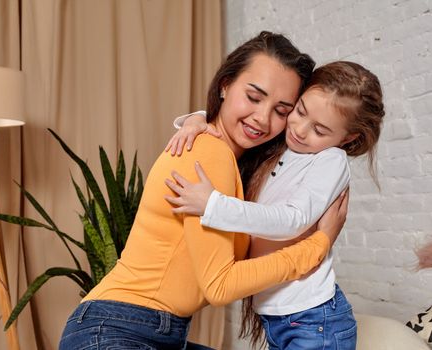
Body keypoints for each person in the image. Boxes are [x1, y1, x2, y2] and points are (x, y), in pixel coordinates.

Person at [59, 31, 349, 350]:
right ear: (225, 85)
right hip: (115, 330)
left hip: (155, 333)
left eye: (282, 110)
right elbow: (220, 286)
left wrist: (197, 118)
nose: (262, 118)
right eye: (253, 97)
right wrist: (317, 245)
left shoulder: (233, 164)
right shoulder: (209, 154)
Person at [164, 61, 385, 349]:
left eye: (319, 129)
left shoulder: (330, 160)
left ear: (349, 137)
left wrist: (213, 205)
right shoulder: (286, 144)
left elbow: (292, 220)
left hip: (313, 320)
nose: (300, 129)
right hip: (282, 317)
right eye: (300, 111)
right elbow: (240, 123)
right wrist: (197, 120)